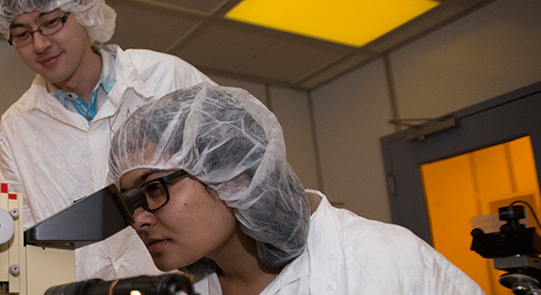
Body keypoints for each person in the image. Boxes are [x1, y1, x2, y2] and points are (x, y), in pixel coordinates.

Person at [107, 83, 485, 294]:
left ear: (231, 173)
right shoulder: (185, 289)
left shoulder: (380, 263)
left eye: (154, 188)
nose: (138, 220)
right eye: (130, 202)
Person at [0, 0, 215, 280]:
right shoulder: (15, 128)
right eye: (22, 34)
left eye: (51, 22)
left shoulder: (168, 79)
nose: (39, 44)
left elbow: (241, 174)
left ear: (84, 11)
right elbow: (17, 245)